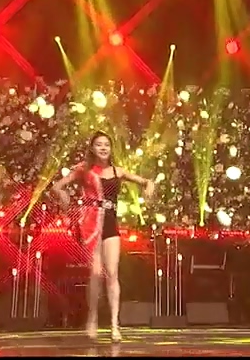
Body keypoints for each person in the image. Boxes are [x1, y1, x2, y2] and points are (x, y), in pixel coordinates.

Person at [52, 131, 155, 343]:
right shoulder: (84, 169)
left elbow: (146, 181)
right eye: (99, 144)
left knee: (112, 273)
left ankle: (115, 325)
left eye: (106, 144)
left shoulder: (118, 171)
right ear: (92, 148)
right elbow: (57, 186)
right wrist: (63, 197)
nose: (103, 148)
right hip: (91, 224)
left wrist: (149, 188)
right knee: (96, 273)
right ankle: (92, 318)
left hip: (110, 223)